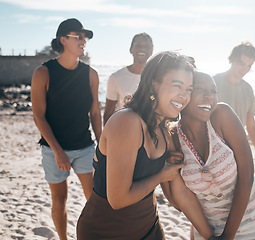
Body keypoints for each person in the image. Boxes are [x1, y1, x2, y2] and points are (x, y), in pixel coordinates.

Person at [76, 51, 194, 240]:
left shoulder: (164, 130)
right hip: (107, 231)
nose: (184, 96)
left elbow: (176, 197)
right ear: (154, 84)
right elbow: (118, 199)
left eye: (189, 89)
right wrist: (161, 174)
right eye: (177, 86)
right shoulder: (127, 122)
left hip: (149, 225)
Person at [165, 72, 255, 239]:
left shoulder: (222, 115)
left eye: (213, 91)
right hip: (207, 231)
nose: (209, 97)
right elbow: (177, 202)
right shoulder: (173, 137)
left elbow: (246, 178)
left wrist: (227, 236)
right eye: (201, 90)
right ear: (185, 95)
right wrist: (168, 169)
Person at [31, 18, 102, 240]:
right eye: (78, 37)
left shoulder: (91, 74)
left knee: (93, 199)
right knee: (59, 199)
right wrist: (57, 150)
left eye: (85, 37)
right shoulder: (43, 73)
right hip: (53, 148)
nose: (83, 41)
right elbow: (38, 116)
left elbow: (95, 114)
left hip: (84, 146)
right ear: (63, 40)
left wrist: (103, 146)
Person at [213, 41, 255, 178]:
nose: (245, 69)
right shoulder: (212, 83)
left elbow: (251, 125)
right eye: (241, 63)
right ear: (231, 60)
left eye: (249, 65)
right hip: (213, 150)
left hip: (237, 150)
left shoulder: (248, 89)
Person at [103, 32, 154, 125]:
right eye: (138, 45)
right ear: (131, 49)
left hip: (150, 134)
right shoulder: (116, 78)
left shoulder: (157, 78)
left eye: (146, 46)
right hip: (124, 132)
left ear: (151, 51)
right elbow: (108, 114)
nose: (142, 49)